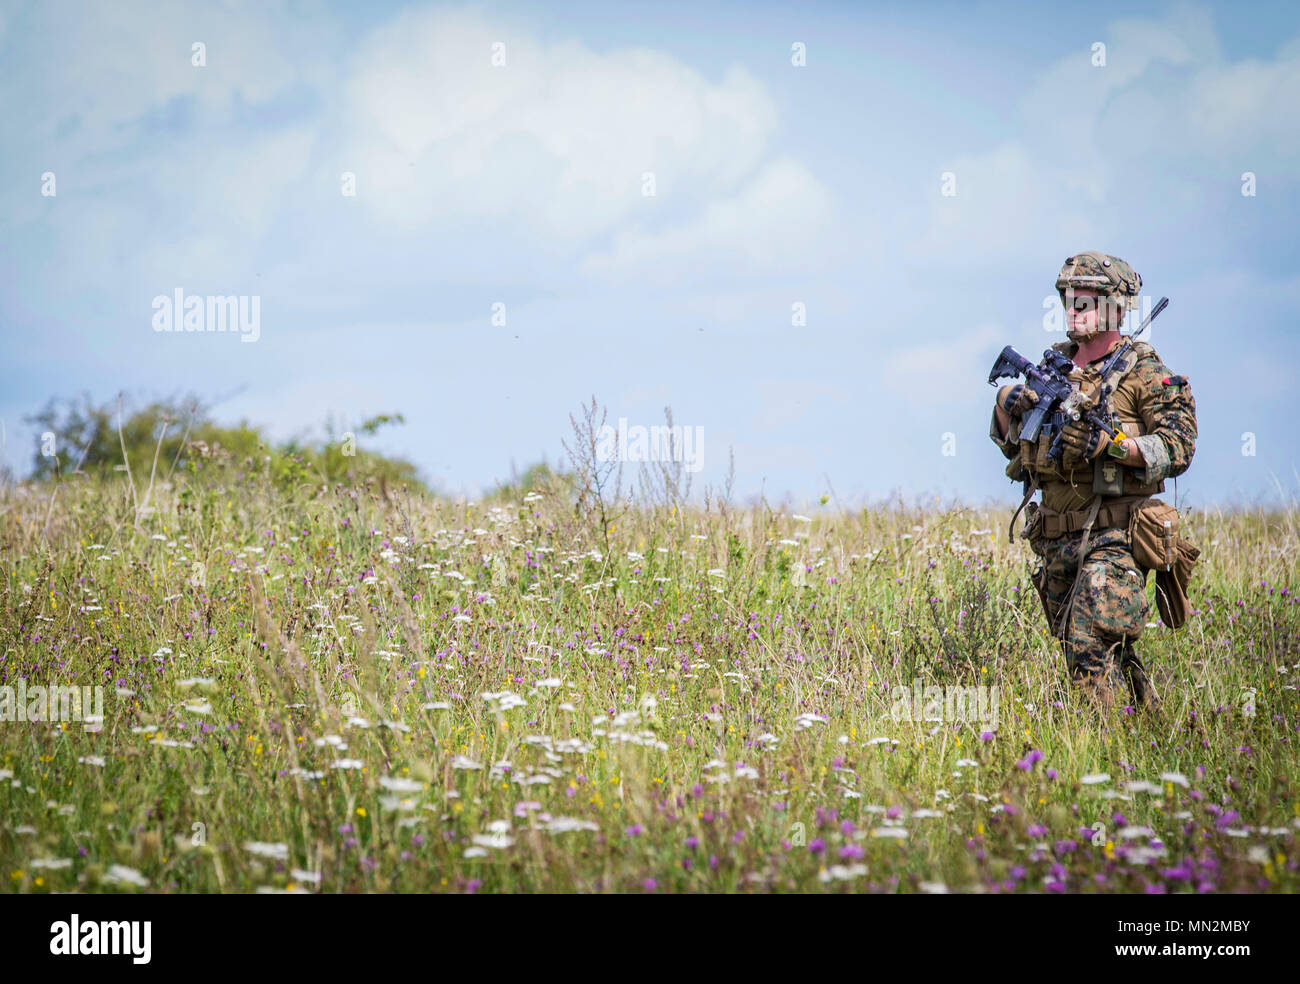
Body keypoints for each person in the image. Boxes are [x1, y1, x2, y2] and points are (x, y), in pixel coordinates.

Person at [989, 252, 1197, 708]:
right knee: (1091, 647)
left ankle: (1095, 747)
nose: (1074, 309)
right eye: (1069, 300)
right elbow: (1011, 445)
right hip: (1056, 537)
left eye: (1086, 301)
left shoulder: (1145, 373)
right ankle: (1149, 724)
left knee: (1088, 639)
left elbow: (1179, 447)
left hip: (1117, 535)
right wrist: (1011, 402)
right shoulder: (1054, 368)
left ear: (1117, 309)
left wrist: (1115, 444)